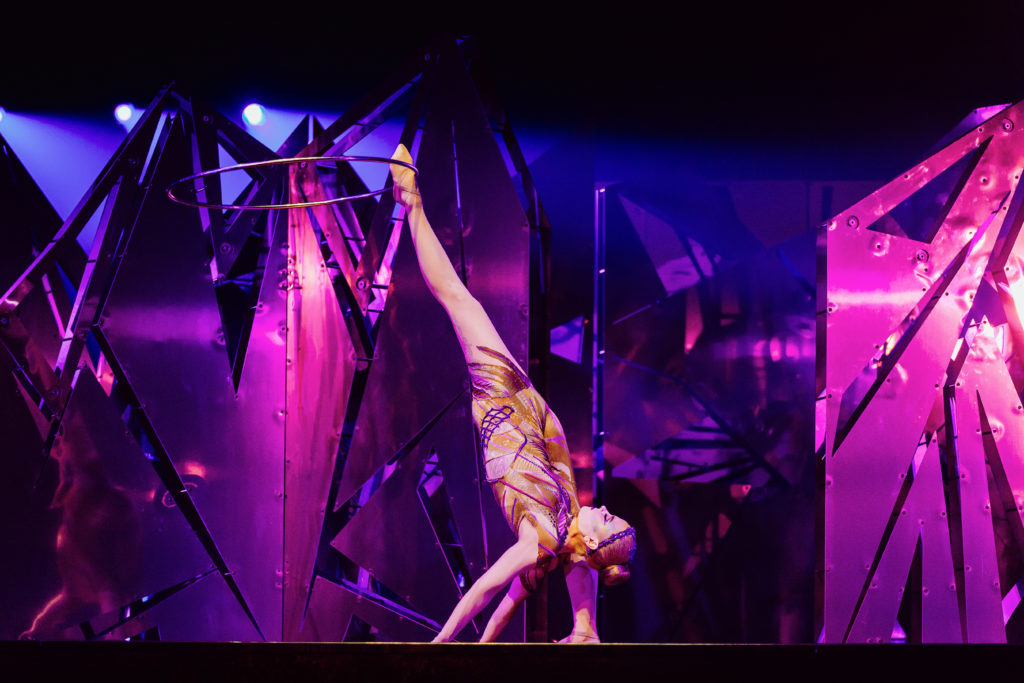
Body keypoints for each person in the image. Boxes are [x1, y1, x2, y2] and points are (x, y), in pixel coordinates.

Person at [389, 145, 636, 643]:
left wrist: (442, 647)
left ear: (594, 536)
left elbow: (487, 592)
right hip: (533, 425)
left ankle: (412, 203)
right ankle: (586, 630)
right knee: (577, 568)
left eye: (606, 519)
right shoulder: (567, 539)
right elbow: (506, 611)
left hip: (506, 410)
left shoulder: (540, 544)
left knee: (460, 299)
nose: (605, 508)